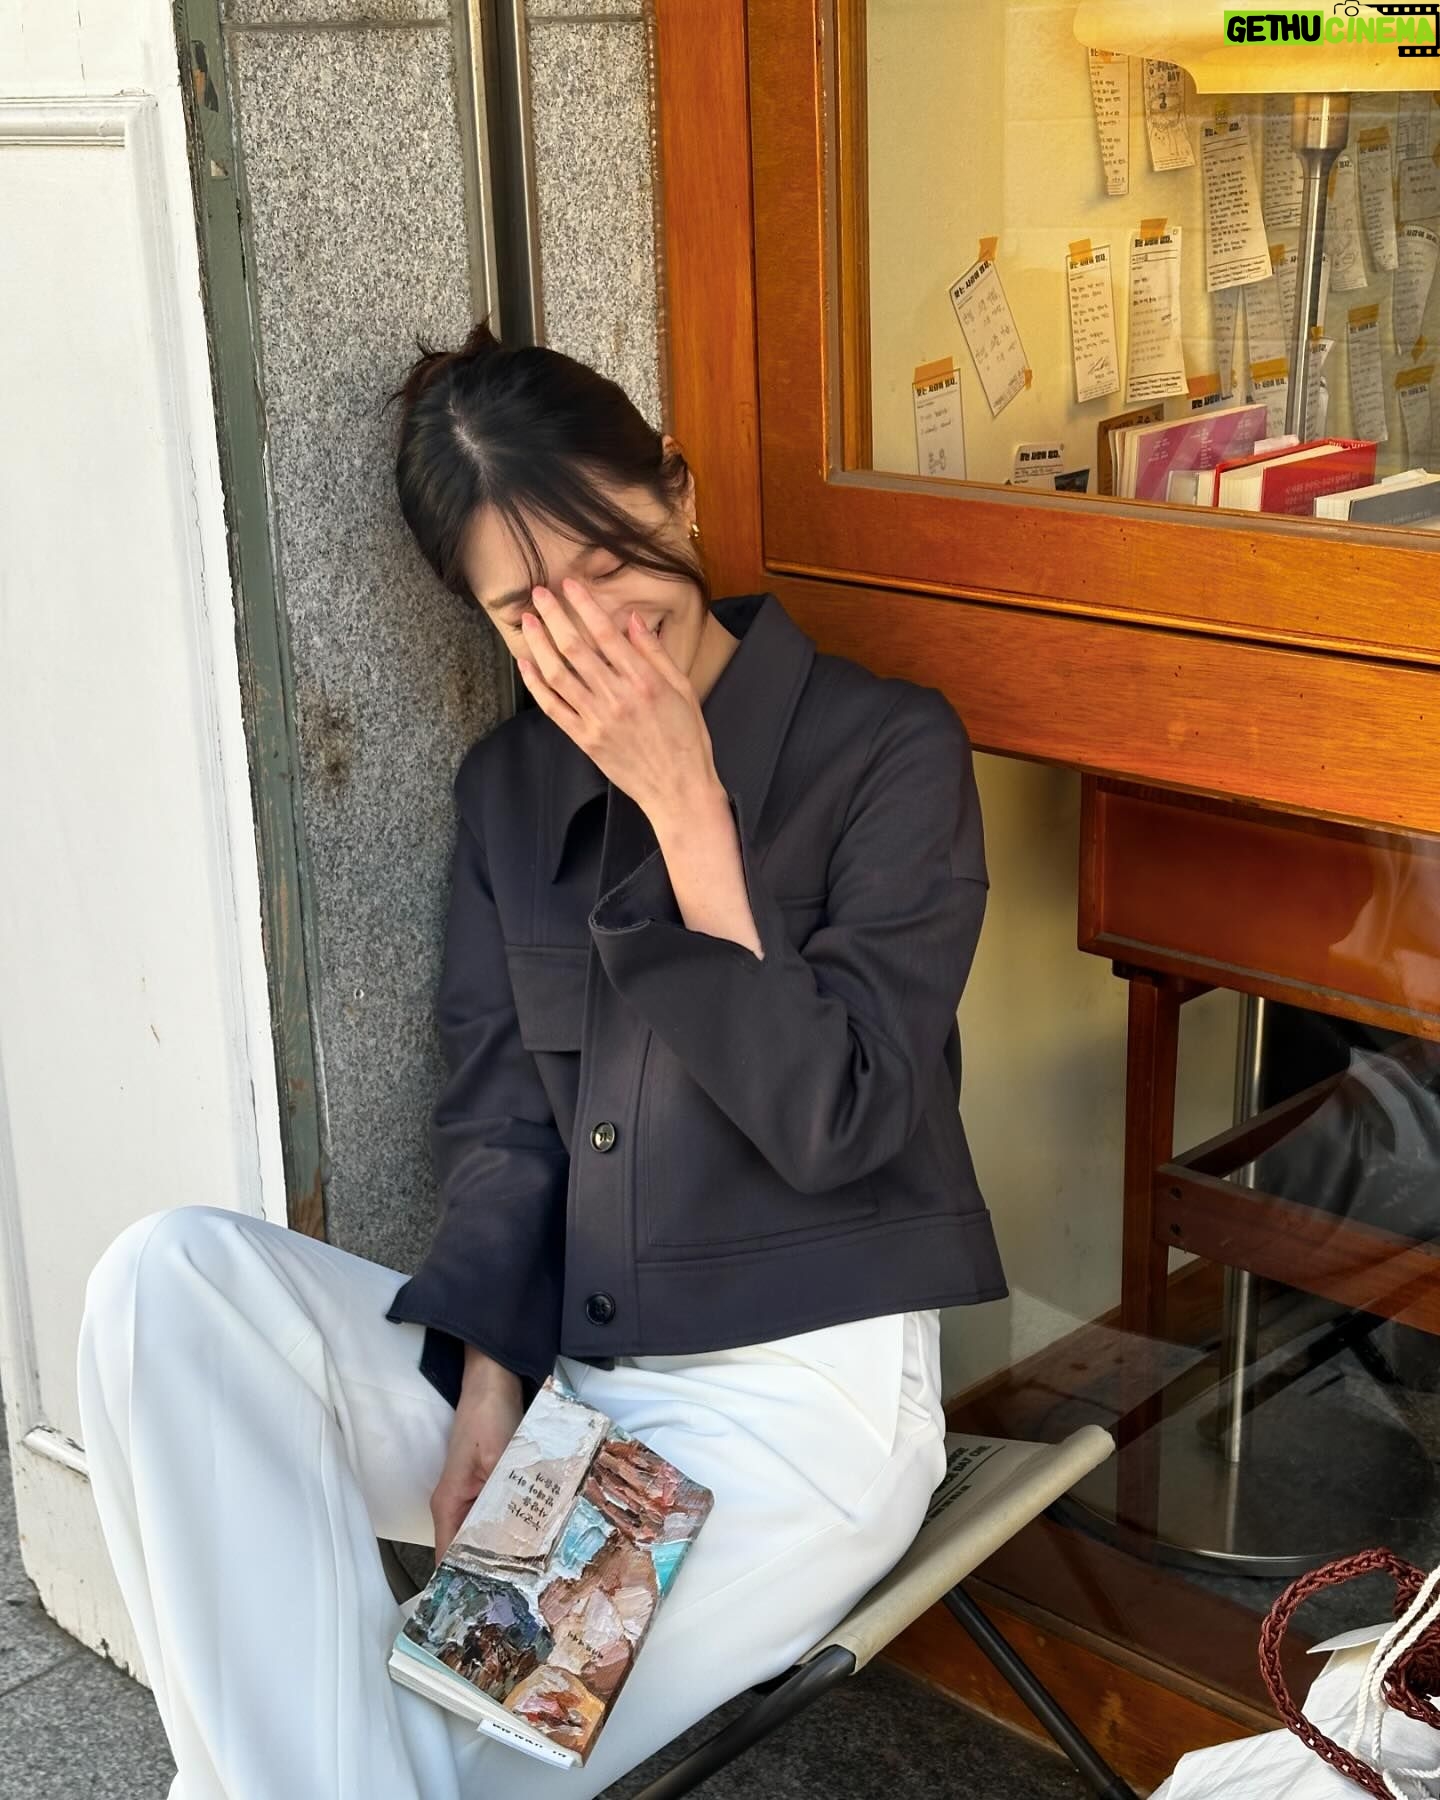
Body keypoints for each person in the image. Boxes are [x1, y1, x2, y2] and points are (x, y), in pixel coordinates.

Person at [75, 318, 1005, 1799]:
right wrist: (491, 1395)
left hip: (785, 1411)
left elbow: (842, 1117)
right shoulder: (509, 789)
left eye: (607, 559)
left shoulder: (885, 749)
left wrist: (690, 811)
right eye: (526, 609)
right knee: (168, 1285)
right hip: (564, 1372)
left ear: (679, 493)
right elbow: (505, 1122)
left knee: (425, 1758)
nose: (589, 631)